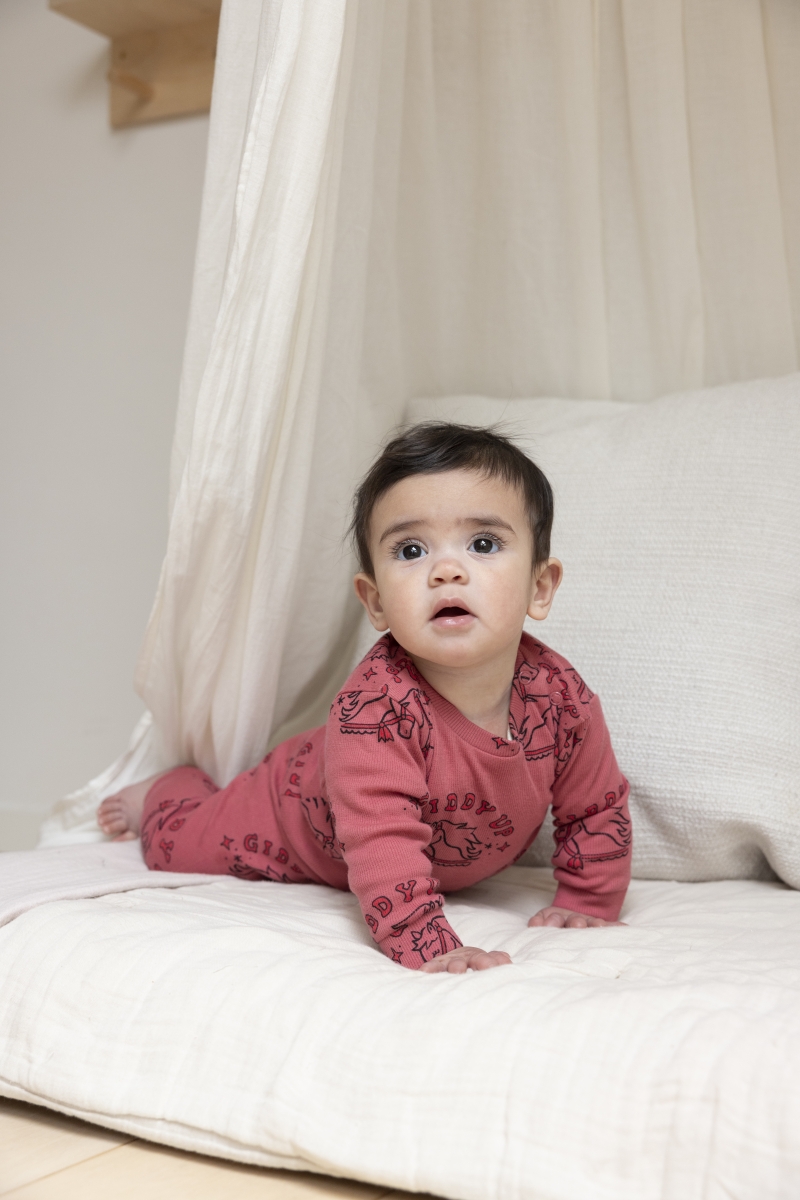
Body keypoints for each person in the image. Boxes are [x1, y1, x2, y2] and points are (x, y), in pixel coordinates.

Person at [99, 423, 631, 973]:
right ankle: (164, 791)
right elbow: (383, 843)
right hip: (284, 810)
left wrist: (588, 902)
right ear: (375, 602)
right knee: (176, 846)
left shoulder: (561, 699)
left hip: (403, 818)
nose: (447, 571)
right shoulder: (376, 711)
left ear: (539, 588)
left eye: (483, 544)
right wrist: (428, 943)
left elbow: (595, 804)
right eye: (411, 550)